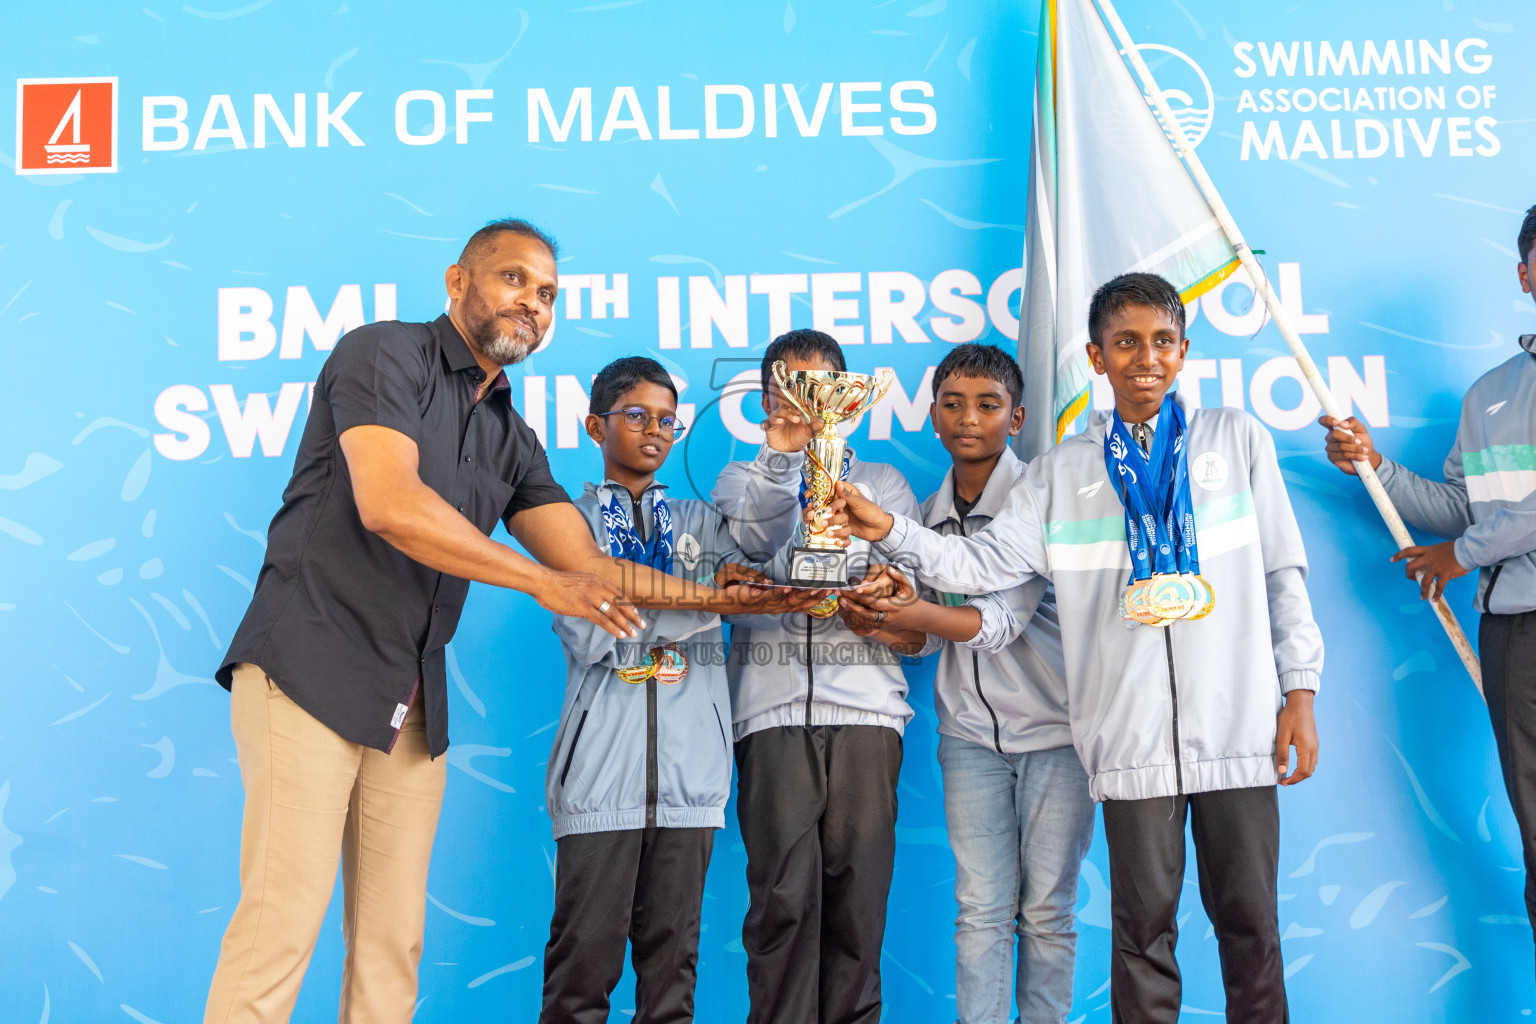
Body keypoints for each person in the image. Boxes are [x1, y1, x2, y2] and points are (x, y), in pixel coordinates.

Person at [203, 219, 808, 1024]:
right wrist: (536, 581)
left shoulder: (508, 435)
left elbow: (589, 565)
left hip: (410, 700)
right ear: (458, 281)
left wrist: (727, 601)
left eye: (548, 293)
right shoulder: (383, 353)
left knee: (393, 945)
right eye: (515, 279)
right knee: (282, 925)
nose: (533, 302)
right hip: (310, 665)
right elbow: (390, 504)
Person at [833, 273, 1322, 1024]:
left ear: (1185, 351)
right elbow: (981, 566)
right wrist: (888, 530)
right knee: (1140, 937)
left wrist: (1300, 694)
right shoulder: (1062, 475)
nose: (1145, 358)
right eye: (1125, 342)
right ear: (1097, 358)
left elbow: (1282, 574)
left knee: (1251, 929)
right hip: (1128, 750)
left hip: (1239, 730)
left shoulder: (1237, 439)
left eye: (1161, 341)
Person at [540, 356, 823, 1024]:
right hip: (597, 781)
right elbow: (594, 635)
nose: (655, 430)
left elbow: (756, 551)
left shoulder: (699, 521)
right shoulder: (566, 525)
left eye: (668, 419)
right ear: (593, 425)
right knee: (582, 968)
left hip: (690, 785)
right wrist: (709, 604)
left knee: (672, 977)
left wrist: (781, 454)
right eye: (636, 415)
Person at [841, 342, 1093, 1024]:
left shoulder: (1040, 498)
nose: (967, 419)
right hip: (968, 740)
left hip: (1057, 736)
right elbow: (922, 639)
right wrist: (871, 618)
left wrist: (908, 605)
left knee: (1045, 911)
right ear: (931, 415)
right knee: (979, 909)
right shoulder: (923, 515)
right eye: (952, 403)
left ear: (1016, 419)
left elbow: (996, 624)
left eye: (987, 405)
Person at [1318, 202, 1536, 972]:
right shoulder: (1489, 395)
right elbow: (1457, 509)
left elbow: (1471, 534)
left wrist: (1462, 553)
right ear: (1524, 273)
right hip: (1514, 635)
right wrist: (1373, 468)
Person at [711, 328, 923, 1024]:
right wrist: (779, 455)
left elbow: (914, 607)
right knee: (780, 906)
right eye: (787, 386)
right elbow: (745, 552)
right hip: (769, 716)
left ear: (848, 398)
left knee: (858, 909)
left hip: (867, 715)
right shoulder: (738, 480)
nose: (803, 401)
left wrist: (877, 603)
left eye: (818, 387)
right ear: (768, 395)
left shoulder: (885, 485)